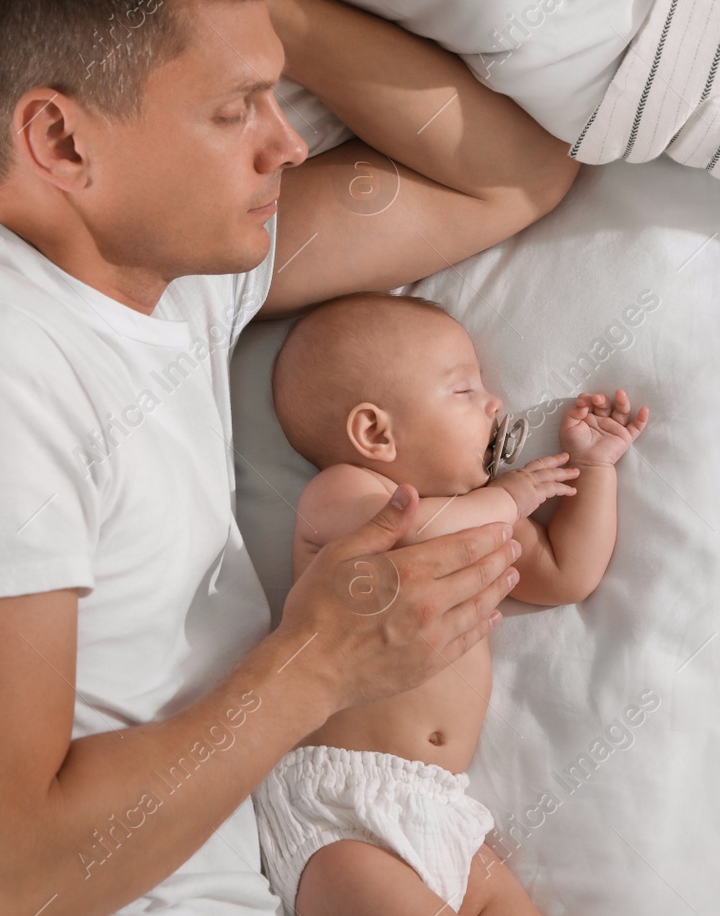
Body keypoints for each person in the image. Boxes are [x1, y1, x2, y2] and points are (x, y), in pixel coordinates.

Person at [0, 0, 579, 914]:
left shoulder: (174, 287)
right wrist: (318, 662)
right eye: (237, 106)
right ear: (60, 137)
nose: (287, 141)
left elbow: (513, 172)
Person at [255, 292, 648, 914]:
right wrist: (509, 499)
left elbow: (567, 575)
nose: (496, 404)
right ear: (375, 432)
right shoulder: (345, 493)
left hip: (444, 809)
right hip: (341, 811)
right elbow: (413, 529)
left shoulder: (482, 512)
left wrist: (593, 470)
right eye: (464, 390)